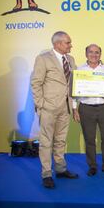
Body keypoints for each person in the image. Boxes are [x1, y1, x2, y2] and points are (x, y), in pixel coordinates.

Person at [31, 31, 79, 189]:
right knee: (46, 142)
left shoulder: (71, 59)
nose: (70, 45)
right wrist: (41, 104)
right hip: (48, 109)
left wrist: (73, 107)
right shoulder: (43, 59)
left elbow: (74, 84)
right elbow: (36, 83)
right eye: (68, 42)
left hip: (65, 109)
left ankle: (60, 169)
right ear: (57, 44)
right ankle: (46, 173)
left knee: (60, 140)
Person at [72, 44, 104, 176]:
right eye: (91, 52)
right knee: (89, 139)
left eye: (97, 52)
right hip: (86, 108)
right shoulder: (79, 70)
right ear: (86, 54)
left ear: (100, 55)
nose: (94, 55)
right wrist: (75, 109)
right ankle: (92, 166)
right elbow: (74, 92)